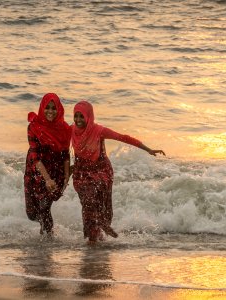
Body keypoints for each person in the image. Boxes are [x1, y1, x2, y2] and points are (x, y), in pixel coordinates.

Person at [71, 100, 165, 244]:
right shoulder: (71, 130)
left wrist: (148, 149)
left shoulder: (98, 131)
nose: (78, 120)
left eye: (81, 116)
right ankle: (96, 233)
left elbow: (123, 137)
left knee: (102, 204)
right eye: (76, 116)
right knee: (87, 202)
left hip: (101, 172)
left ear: (88, 116)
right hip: (81, 174)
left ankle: (97, 235)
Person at [24, 93, 71, 235]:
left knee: (45, 207)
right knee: (31, 214)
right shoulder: (33, 127)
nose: (50, 111)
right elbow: (35, 156)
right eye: (47, 107)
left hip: (55, 171)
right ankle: (45, 228)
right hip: (35, 171)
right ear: (42, 107)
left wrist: (66, 177)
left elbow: (65, 155)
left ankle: (47, 239)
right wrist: (46, 179)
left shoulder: (64, 129)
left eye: (54, 108)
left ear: (59, 110)